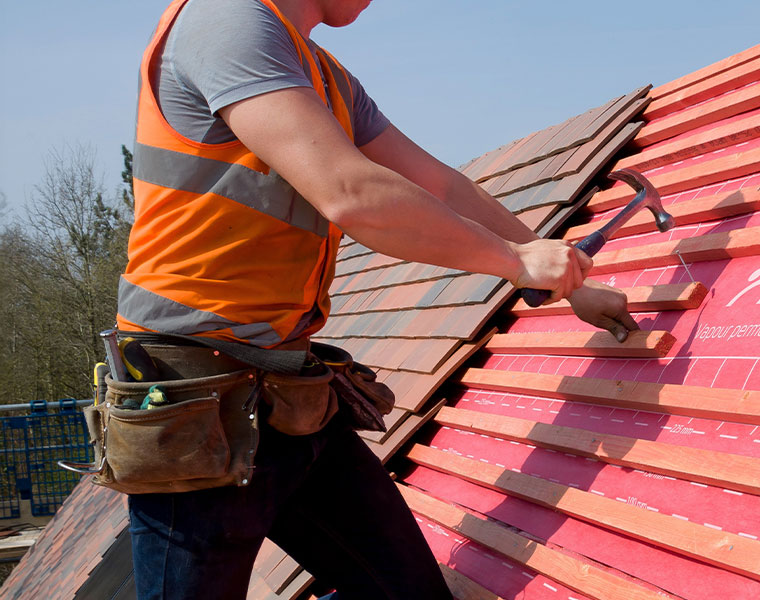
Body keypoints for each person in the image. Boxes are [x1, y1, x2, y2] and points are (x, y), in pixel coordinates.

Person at [116, 0, 638, 597]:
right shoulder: (226, 19)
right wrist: (514, 262)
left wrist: (564, 278)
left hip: (286, 389)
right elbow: (351, 192)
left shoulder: (323, 74)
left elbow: (438, 185)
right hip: (191, 394)